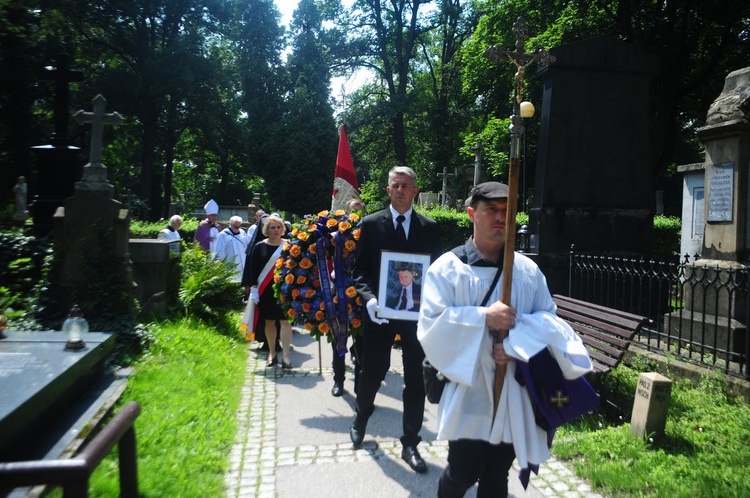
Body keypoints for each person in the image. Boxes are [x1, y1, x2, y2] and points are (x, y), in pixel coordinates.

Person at [417, 182, 593, 497]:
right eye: (491, 210)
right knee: (463, 470)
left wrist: (516, 346)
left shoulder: (527, 271)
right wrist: (483, 317)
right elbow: (431, 325)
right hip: (469, 393)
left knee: (498, 473)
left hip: (513, 393)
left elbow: (550, 323)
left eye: (506, 211)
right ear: (472, 214)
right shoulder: (448, 269)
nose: (500, 217)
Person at [349, 166, 442, 474]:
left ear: (415, 191)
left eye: (406, 185)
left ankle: (411, 442)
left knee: (416, 378)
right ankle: (362, 415)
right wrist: (370, 299)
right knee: (373, 371)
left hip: (416, 317)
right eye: (395, 185)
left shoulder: (430, 228)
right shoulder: (372, 224)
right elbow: (359, 270)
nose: (400, 190)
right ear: (387, 190)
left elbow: (437, 275)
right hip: (380, 315)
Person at [247, 213, 293, 368]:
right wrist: (253, 289)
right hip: (265, 291)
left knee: (286, 321)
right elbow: (253, 271)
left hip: (284, 290)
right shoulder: (259, 247)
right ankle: (272, 353)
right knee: (270, 322)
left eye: (278, 227)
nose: (276, 230)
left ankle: (286, 357)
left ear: (283, 228)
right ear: (267, 229)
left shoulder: (289, 245)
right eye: (272, 227)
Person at [330, 197, 366, 398]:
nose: (357, 215)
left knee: (361, 341)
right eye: (354, 211)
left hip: (361, 291)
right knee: (339, 338)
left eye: (360, 211)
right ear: (346, 212)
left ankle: (360, 385)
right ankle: (338, 379)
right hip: (340, 290)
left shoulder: (368, 232)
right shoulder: (337, 232)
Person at [215, 215, 250, 281]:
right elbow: (219, 251)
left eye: (239, 226)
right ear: (230, 224)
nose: (237, 229)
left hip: (242, 263)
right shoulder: (223, 235)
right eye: (235, 227)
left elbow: (246, 246)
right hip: (230, 263)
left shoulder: (242, 233)